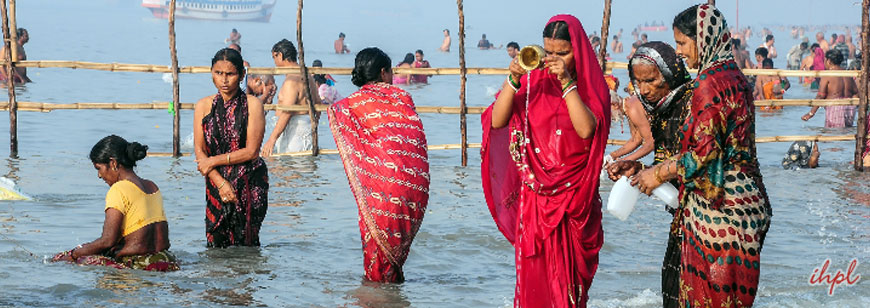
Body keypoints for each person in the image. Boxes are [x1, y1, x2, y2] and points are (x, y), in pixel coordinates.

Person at [612, 5, 771, 307]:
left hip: (718, 215)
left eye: (684, 43)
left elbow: (703, 157)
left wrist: (654, 174)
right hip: (745, 208)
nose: (680, 52)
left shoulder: (708, 84)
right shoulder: (734, 76)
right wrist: (646, 169)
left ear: (705, 38)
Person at [482, 15, 610, 307]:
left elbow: (587, 129)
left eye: (562, 53)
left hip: (574, 198)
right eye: (548, 51)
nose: (553, 59)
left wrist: (566, 82)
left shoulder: (590, 86)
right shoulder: (533, 81)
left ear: (578, 50)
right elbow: (498, 120)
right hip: (536, 200)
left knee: (568, 285)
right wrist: (513, 79)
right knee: (535, 281)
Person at [327, 47, 429, 283]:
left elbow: (347, 130)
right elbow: (412, 141)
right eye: (391, 72)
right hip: (411, 186)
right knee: (394, 258)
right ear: (384, 73)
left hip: (378, 191)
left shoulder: (349, 105)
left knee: (377, 253)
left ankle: (376, 296)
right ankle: (390, 297)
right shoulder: (402, 98)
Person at [51, 135, 179, 271]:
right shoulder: (152, 186)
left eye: (98, 168)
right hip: (166, 260)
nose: (99, 175)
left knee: (81, 260)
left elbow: (107, 240)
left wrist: (73, 254)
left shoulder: (119, 189)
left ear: (112, 163)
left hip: (138, 265)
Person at [193, 48, 268, 248]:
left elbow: (252, 151)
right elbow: (200, 151)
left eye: (230, 74)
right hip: (216, 181)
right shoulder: (203, 106)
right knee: (215, 245)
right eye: (218, 73)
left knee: (247, 245)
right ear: (211, 73)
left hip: (249, 181)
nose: (224, 80)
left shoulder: (252, 105)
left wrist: (213, 161)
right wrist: (219, 182)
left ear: (242, 75)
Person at [263, 39, 322, 156]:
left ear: (279, 55)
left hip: (293, 137)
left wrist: (272, 139)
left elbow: (287, 112)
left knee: (288, 171)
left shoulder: (292, 80)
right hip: (305, 131)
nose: (274, 62)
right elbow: (318, 103)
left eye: (274, 58)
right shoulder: (308, 76)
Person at [802, 50, 859, 127]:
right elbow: (855, 93)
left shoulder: (827, 75)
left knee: (832, 133)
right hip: (850, 109)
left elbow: (821, 96)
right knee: (846, 133)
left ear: (828, 61)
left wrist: (811, 113)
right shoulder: (848, 74)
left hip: (835, 108)